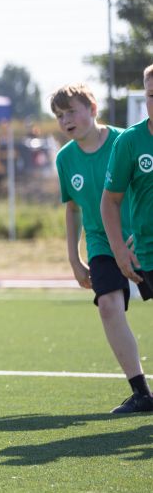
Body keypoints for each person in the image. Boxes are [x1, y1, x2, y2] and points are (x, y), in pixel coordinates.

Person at [100, 65, 153, 412]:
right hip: (149, 252)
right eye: (152, 95)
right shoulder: (130, 142)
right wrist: (119, 248)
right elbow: (110, 200)